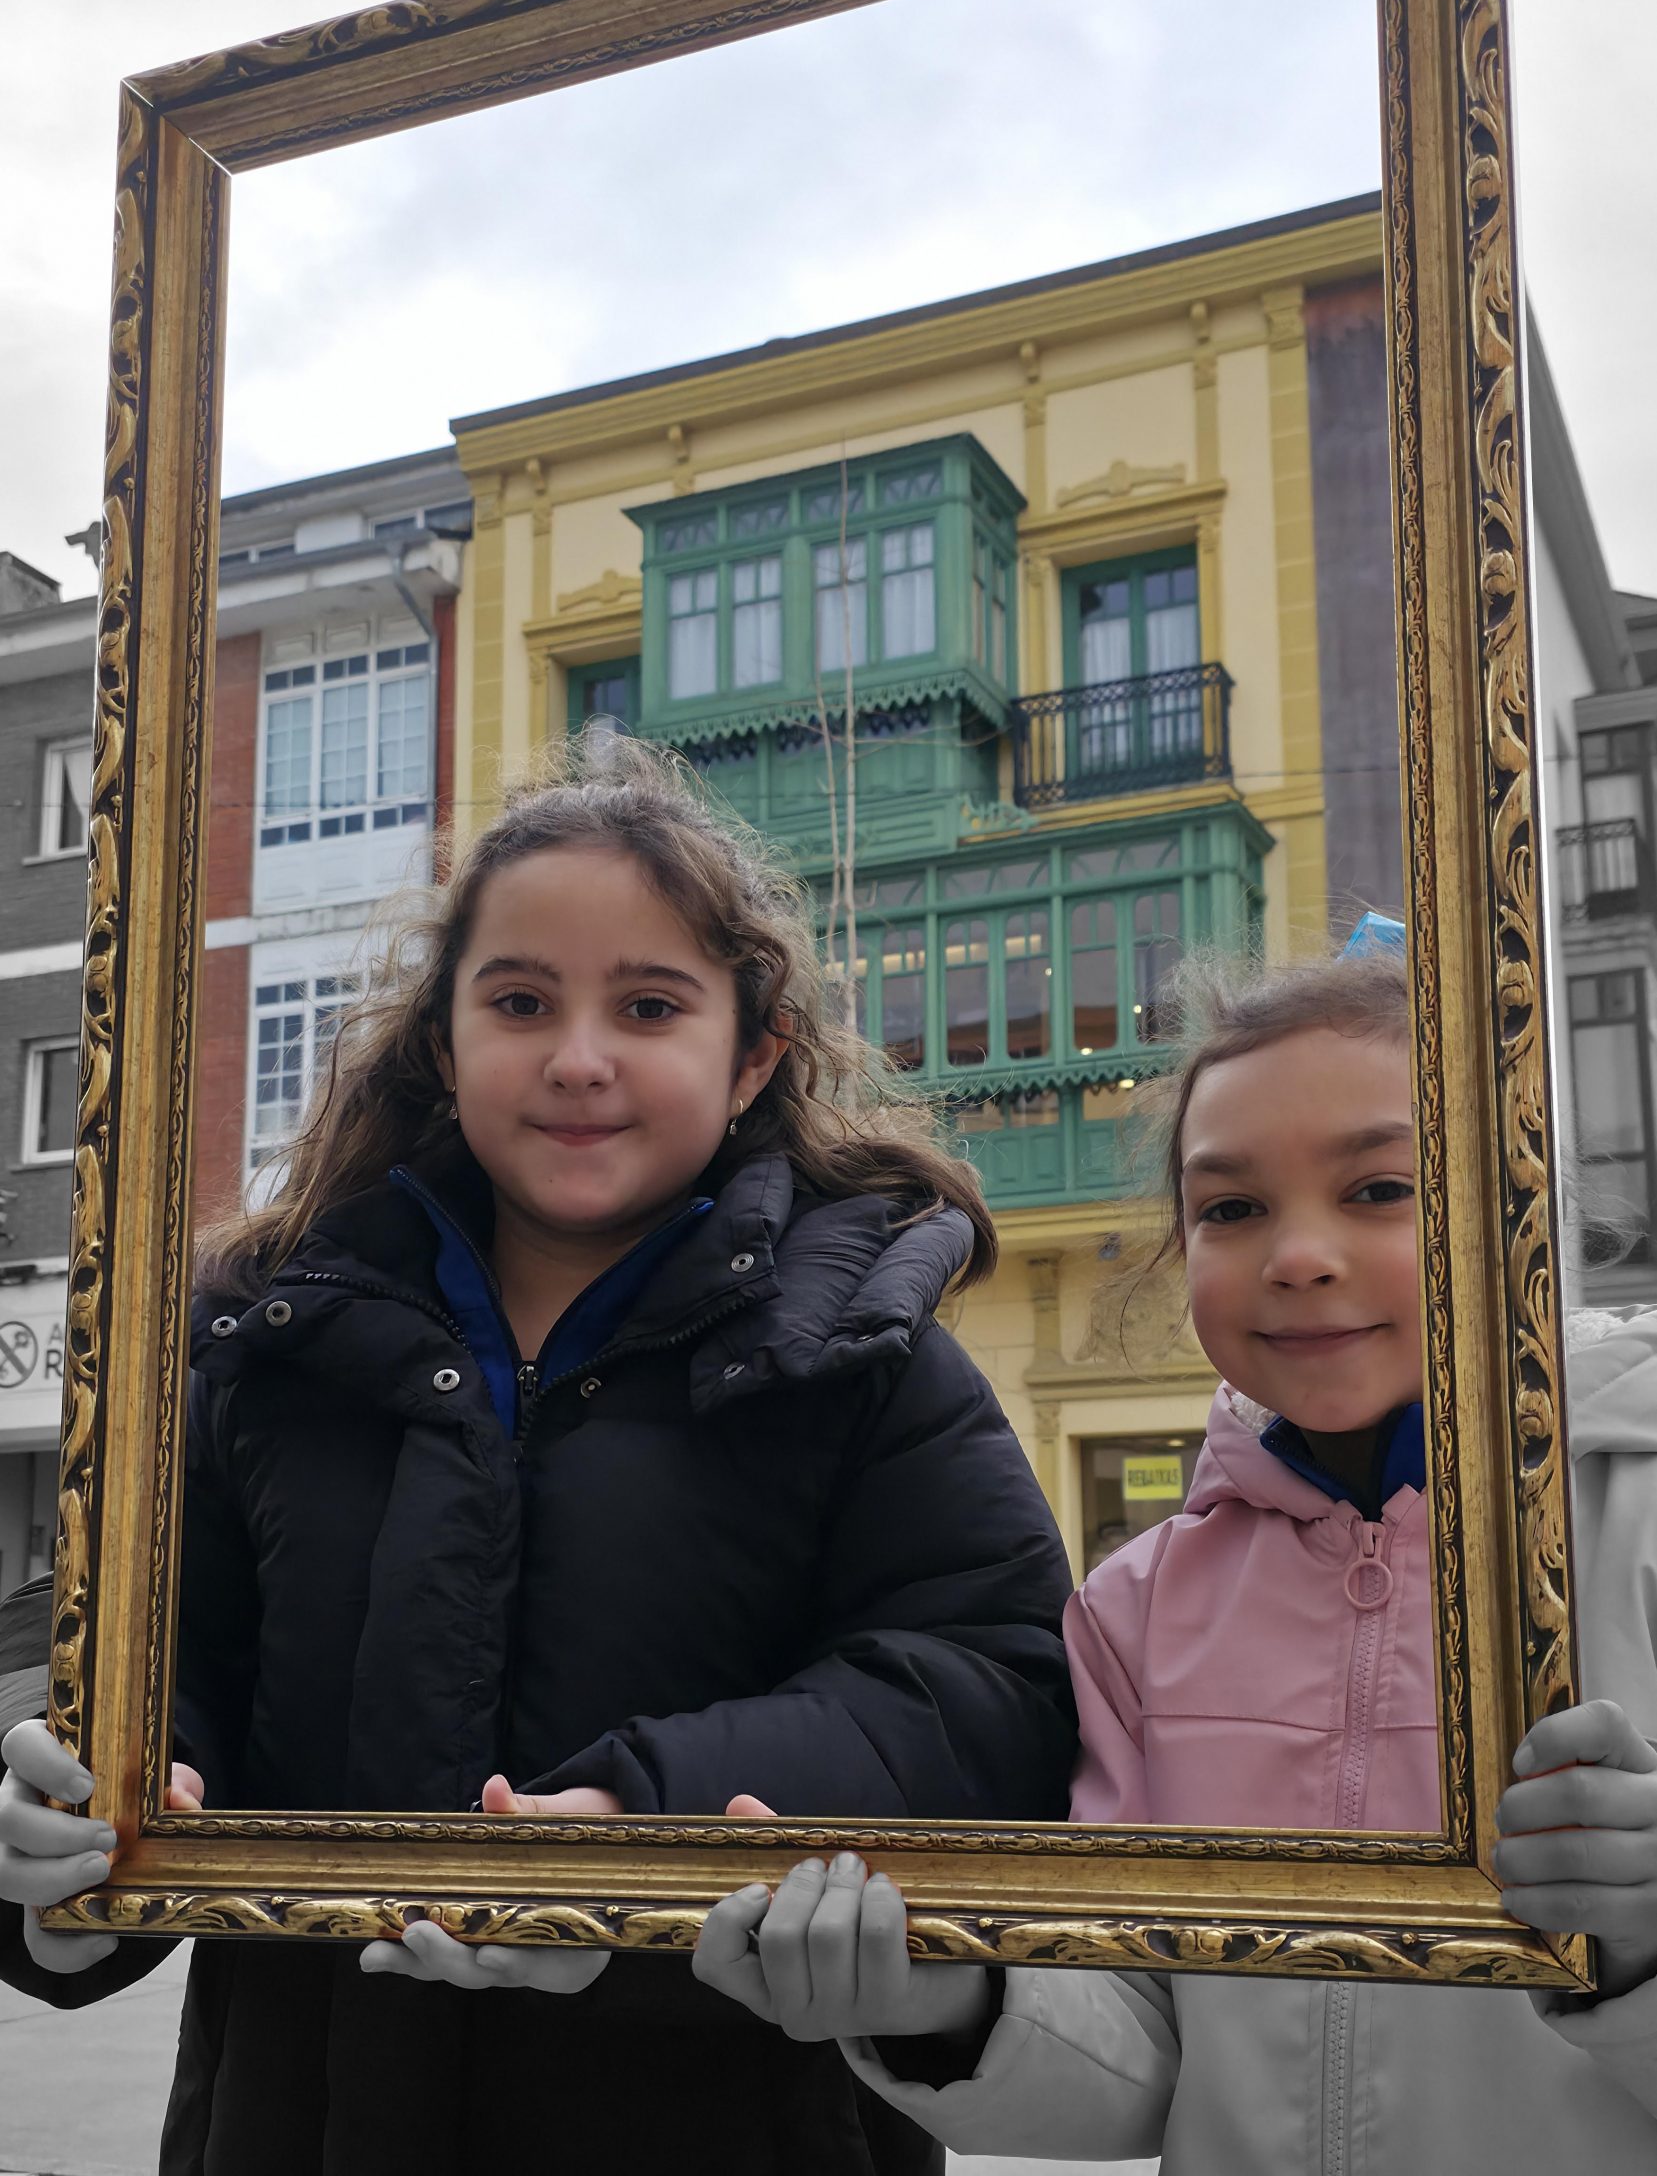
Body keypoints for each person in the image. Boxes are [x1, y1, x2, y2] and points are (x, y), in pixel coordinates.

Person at [0, 731, 1077, 2176]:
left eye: (649, 1005)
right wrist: (80, 1817)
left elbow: (989, 1687)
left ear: (752, 1056)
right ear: (445, 1046)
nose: (578, 1059)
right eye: (519, 1002)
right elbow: (145, 1659)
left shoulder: (861, 1359)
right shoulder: (270, 1353)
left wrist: (639, 1822)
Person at [695, 938, 1657, 2171]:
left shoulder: (1630, 1523)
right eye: (1231, 1208)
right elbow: (1133, 2040)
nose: (1296, 1254)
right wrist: (948, 1995)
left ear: (1518, 1200)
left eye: (1378, 1188)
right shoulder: (1136, 1606)